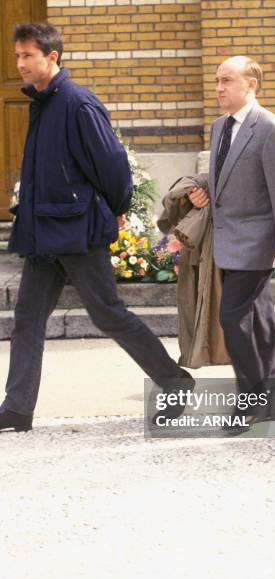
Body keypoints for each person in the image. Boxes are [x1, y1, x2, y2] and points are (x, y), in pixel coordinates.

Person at [0, 22, 193, 433]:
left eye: (27, 55)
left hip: (76, 232)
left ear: (52, 57)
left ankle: (175, 382)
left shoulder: (77, 102)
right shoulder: (43, 102)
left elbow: (113, 164)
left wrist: (118, 207)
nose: (20, 64)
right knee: (28, 317)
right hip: (43, 234)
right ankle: (16, 408)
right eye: (18, 56)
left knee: (107, 314)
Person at [189, 56, 275, 433]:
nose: (219, 87)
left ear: (250, 84)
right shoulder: (220, 125)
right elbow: (223, 175)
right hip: (227, 237)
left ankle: (252, 400)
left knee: (232, 317)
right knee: (258, 318)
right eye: (217, 80)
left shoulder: (269, 127)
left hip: (257, 240)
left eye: (227, 80)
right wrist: (203, 191)